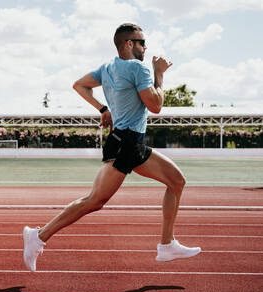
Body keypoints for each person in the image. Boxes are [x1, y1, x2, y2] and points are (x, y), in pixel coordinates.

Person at [23, 23, 201, 272]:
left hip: (131, 142)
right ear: (129, 44)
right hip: (126, 144)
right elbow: (155, 105)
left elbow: (79, 85)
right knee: (94, 201)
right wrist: (159, 73)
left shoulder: (107, 68)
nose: (145, 46)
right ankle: (38, 236)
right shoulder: (139, 68)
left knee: (177, 181)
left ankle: (166, 244)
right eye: (142, 42)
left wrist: (103, 109)